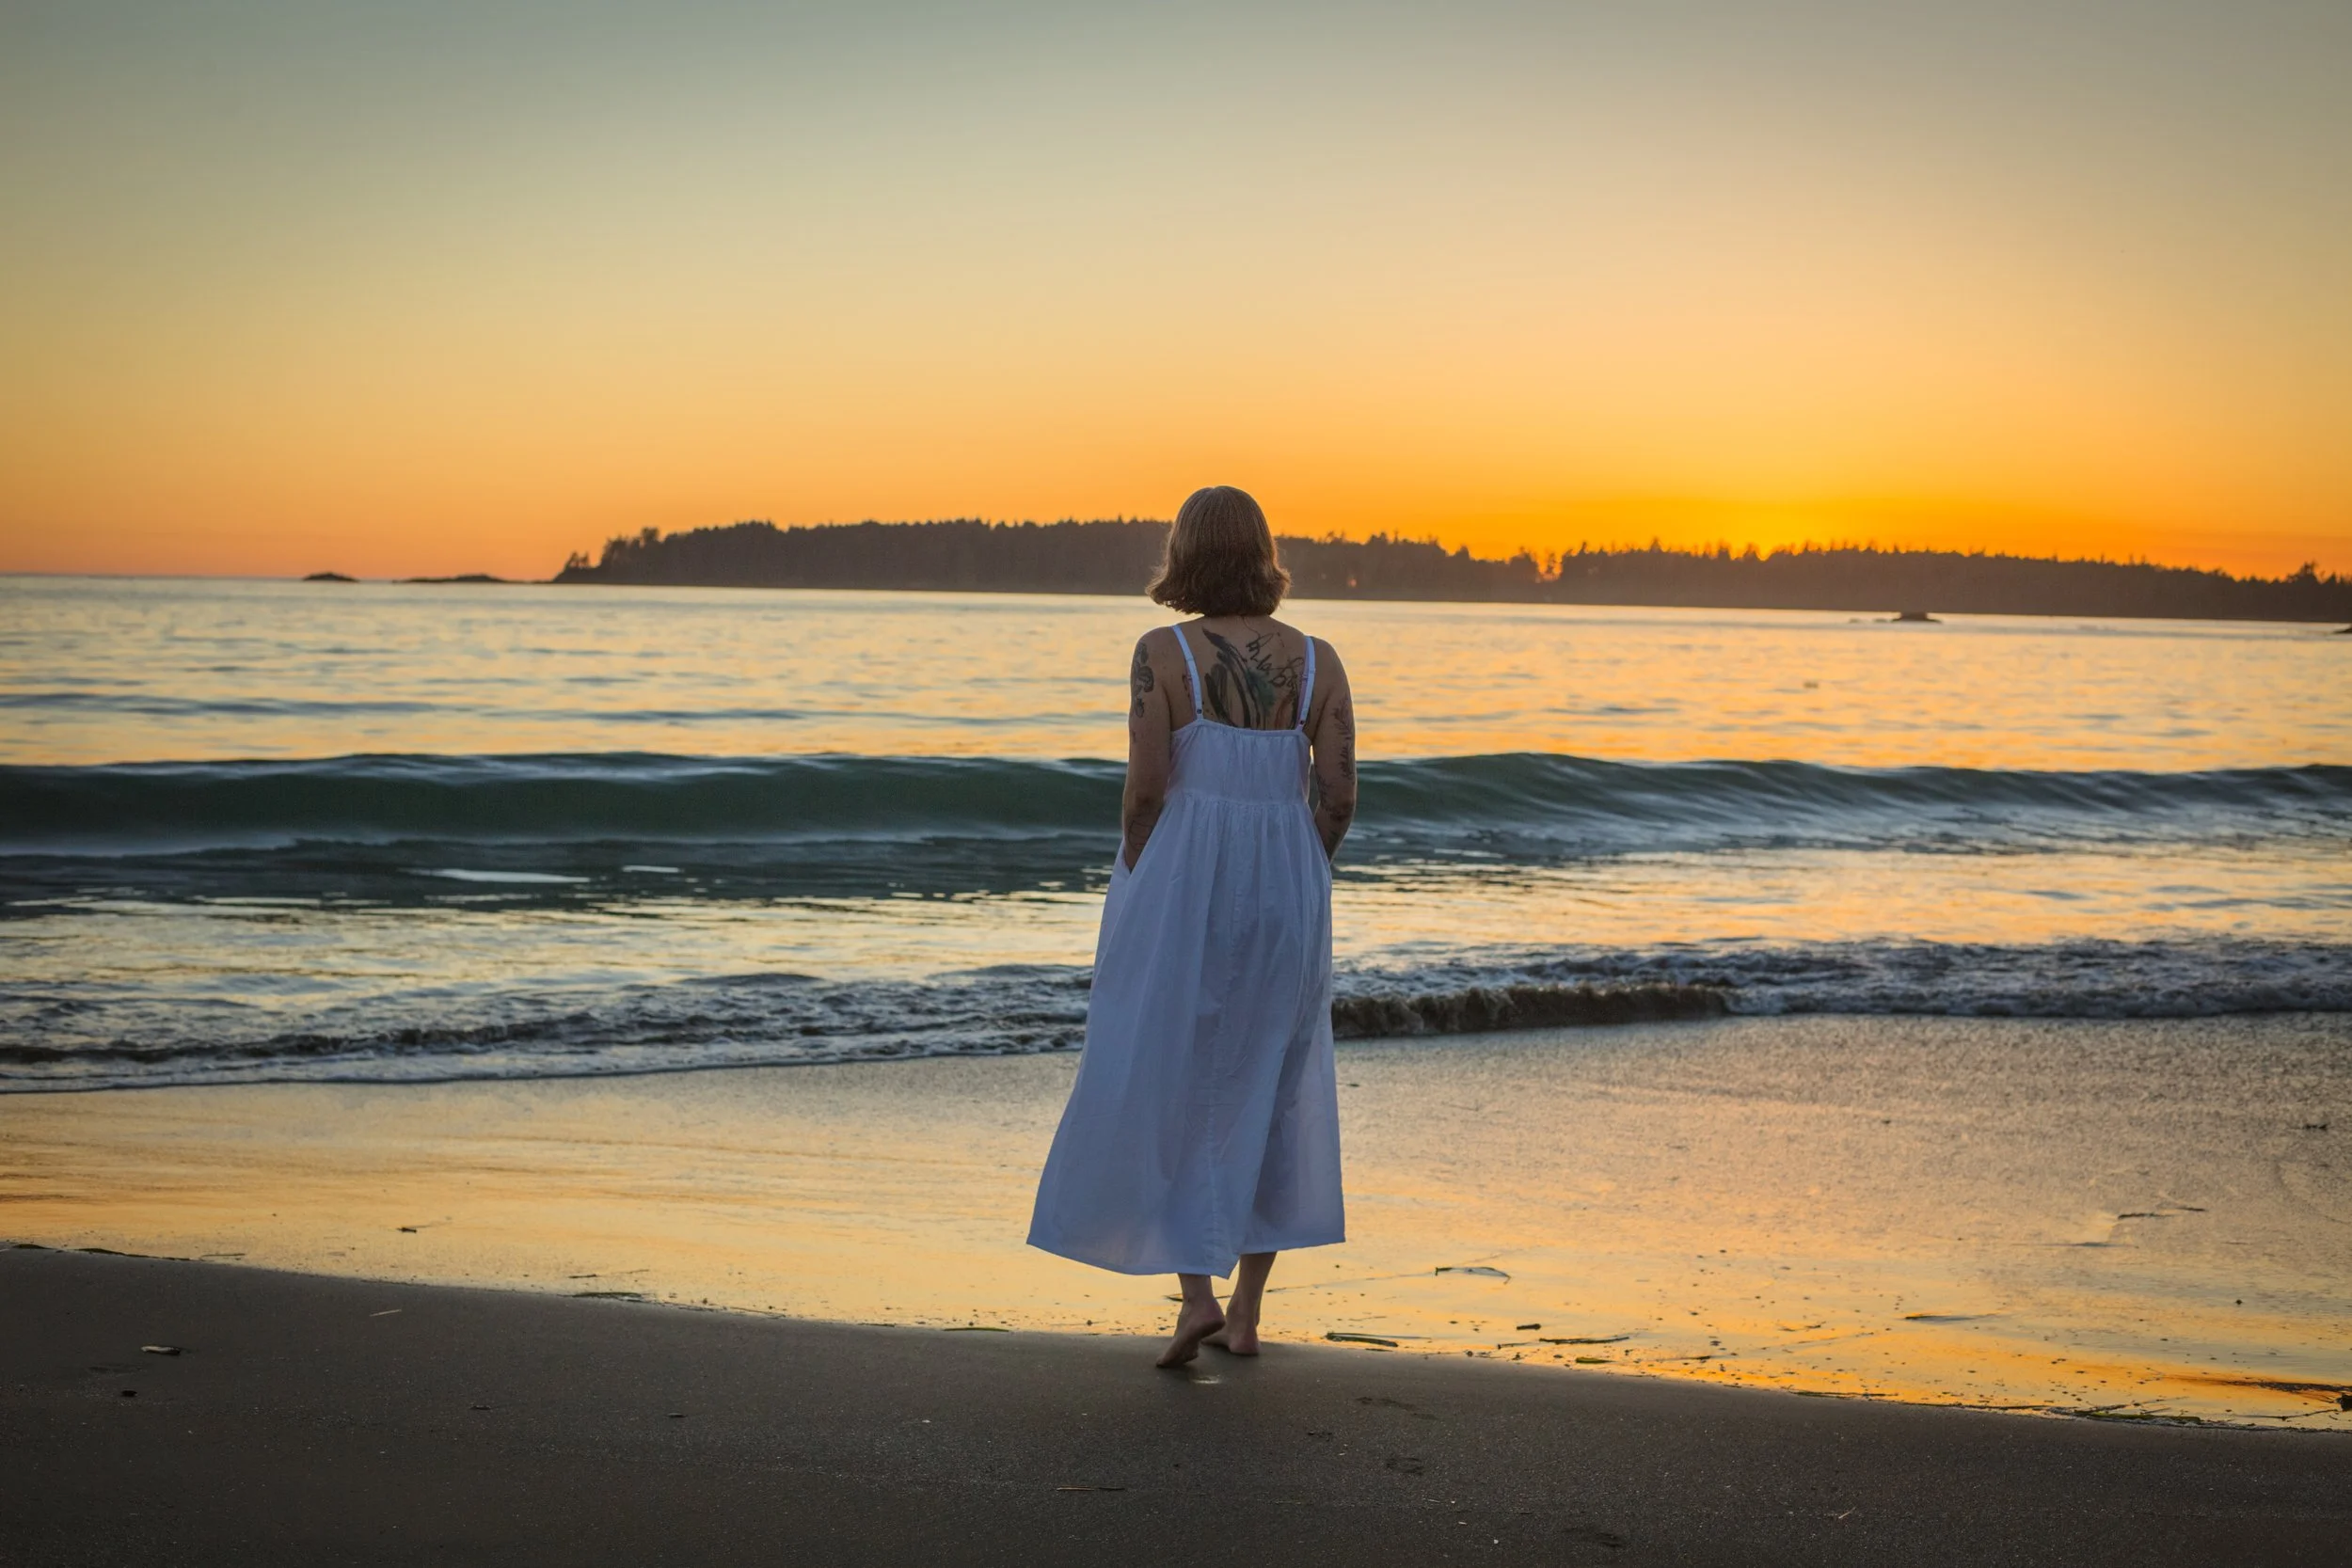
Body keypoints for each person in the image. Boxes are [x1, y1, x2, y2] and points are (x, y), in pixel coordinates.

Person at [1026, 485, 1357, 1368]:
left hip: (1183, 879)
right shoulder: (1320, 661)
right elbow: (1338, 797)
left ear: (1185, 555)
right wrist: (1300, 867)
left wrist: (1141, 871)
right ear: (1263, 552)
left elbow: (1144, 789)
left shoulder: (1162, 653)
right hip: (1289, 880)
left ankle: (1196, 1300)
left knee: (1174, 1071)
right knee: (1270, 1081)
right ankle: (1245, 1312)